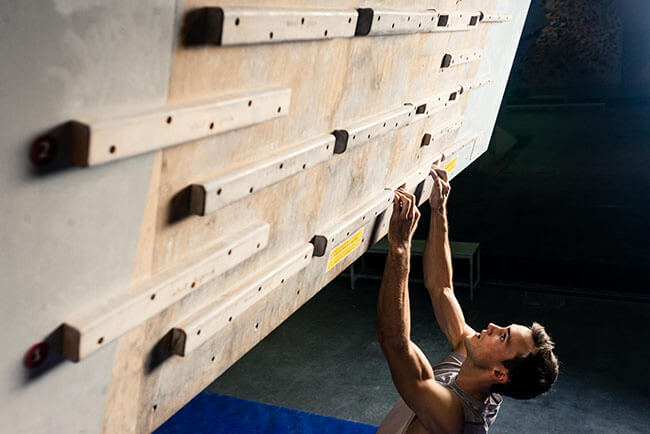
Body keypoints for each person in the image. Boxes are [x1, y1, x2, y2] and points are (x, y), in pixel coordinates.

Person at [376, 166, 559, 433]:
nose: (493, 326)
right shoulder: (478, 367)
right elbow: (442, 288)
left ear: (499, 374)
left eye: (503, 337)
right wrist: (439, 211)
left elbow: (394, 342)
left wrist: (401, 247)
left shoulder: (453, 415)